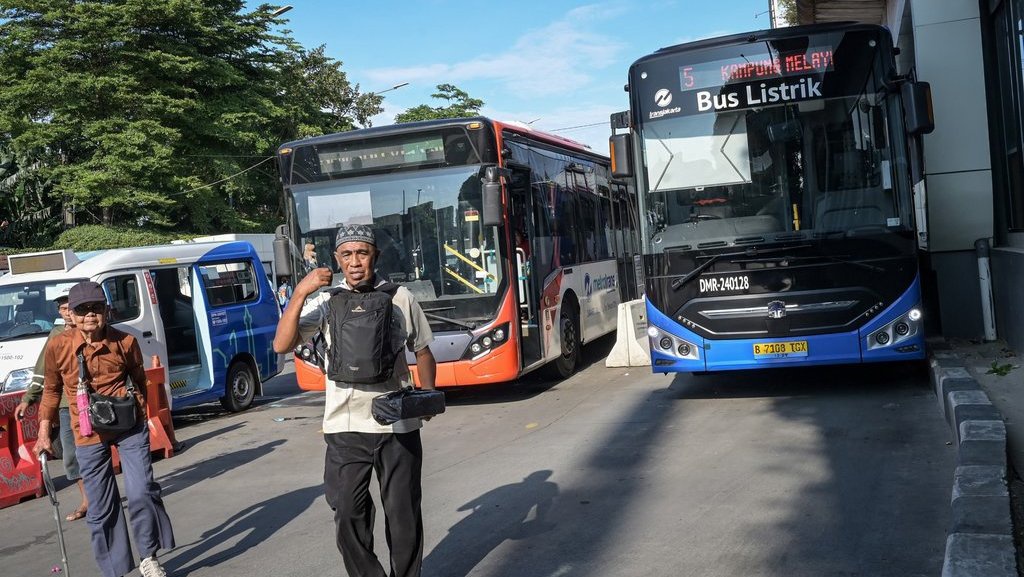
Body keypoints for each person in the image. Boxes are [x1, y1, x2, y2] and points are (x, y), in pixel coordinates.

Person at [273, 223, 438, 577]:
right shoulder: (326, 301)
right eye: (346, 254)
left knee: (403, 515)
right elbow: (281, 345)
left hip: (397, 423)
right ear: (336, 259)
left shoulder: (400, 297)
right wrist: (301, 291)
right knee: (347, 511)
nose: (355, 262)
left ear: (374, 255)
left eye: (362, 253)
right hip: (344, 425)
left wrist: (427, 397)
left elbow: (422, 350)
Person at [33, 281, 175, 577]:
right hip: (87, 430)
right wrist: (44, 434)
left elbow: (140, 377)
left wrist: (139, 409)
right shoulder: (58, 347)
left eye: (96, 308)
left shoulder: (125, 342)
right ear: (70, 314)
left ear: (107, 310)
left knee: (141, 493)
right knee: (101, 507)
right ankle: (115, 569)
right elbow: (50, 391)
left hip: (129, 426)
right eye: (82, 309)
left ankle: (148, 556)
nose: (90, 315)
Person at [16, 290, 88, 521]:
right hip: (67, 406)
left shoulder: (89, 330)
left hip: (94, 403)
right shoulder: (56, 335)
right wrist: (29, 398)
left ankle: (102, 496)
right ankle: (87, 500)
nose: (67, 312)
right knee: (71, 455)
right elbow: (43, 372)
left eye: (70, 307)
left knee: (96, 452)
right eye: (63, 309)